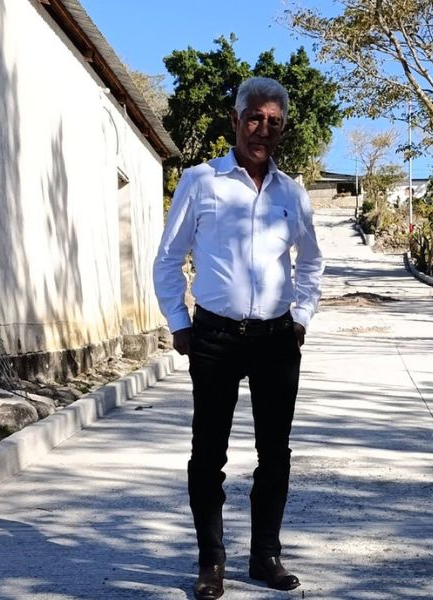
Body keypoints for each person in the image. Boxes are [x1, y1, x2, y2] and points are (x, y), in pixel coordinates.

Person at [153, 76, 323, 600]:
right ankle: (211, 561)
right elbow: (168, 258)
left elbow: (311, 262)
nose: (263, 130)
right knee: (208, 454)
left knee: (275, 454)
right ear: (236, 119)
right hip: (215, 338)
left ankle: (265, 556)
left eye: (274, 122)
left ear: (282, 129)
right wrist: (179, 323)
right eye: (255, 118)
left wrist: (300, 318)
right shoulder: (201, 182)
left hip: (276, 339)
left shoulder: (292, 193)